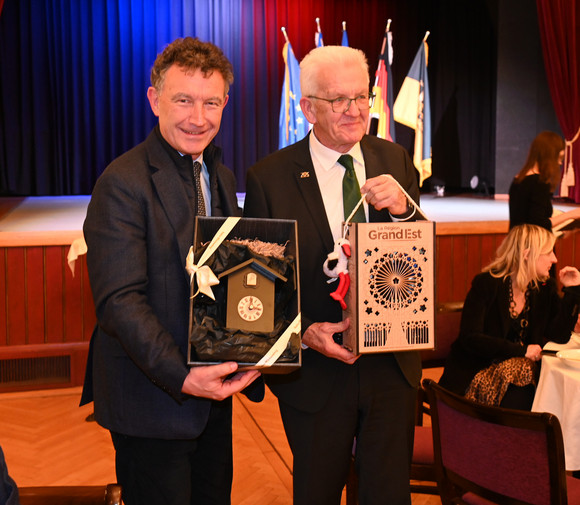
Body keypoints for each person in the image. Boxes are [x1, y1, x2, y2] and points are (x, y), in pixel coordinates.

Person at [80, 37, 262, 505]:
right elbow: (119, 303)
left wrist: (256, 340)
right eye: (183, 100)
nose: (198, 118)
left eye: (211, 102)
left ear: (226, 103)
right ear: (154, 99)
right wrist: (183, 376)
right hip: (152, 402)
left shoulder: (218, 175)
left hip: (213, 400)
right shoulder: (121, 182)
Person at [244, 45, 422, 505]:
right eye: (338, 100)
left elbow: (418, 259)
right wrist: (302, 334)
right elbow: (259, 287)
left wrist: (404, 212)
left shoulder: (397, 160)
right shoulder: (269, 178)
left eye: (361, 96)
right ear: (307, 108)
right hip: (317, 375)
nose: (355, 110)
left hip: (390, 366)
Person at [439, 224, 580, 410]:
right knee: (525, 378)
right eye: (548, 252)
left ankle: (514, 435)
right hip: (478, 369)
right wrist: (521, 351)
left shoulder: (543, 288)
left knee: (526, 378)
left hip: (520, 375)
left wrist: (572, 291)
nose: (554, 259)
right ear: (527, 254)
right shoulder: (486, 284)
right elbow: (471, 338)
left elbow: (559, 335)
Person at [509, 131, 580, 231]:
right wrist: (571, 214)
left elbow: (525, 218)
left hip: (516, 242)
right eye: (559, 158)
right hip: (531, 244)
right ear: (549, 157)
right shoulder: (539, 183)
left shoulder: (518, 178)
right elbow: (539, 223)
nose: (560, 163)